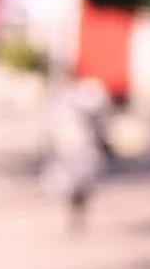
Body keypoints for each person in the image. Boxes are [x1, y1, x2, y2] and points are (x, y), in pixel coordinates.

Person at [42, 76, 111, 229]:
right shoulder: (69, 101)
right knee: (72, 186)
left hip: (81, 150)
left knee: (80, 186)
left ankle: (77, 213)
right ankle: (75, 213)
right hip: (71, 150)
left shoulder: (88, 97)